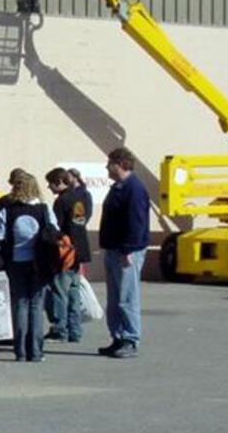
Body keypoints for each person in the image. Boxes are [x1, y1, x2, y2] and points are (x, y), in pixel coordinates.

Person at [0, 173, 58, 362]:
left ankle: (20, 351)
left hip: (15, 261)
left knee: (20, 304)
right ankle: (36, 351)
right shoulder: (44, 208)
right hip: (40, 262)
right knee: (37, 306)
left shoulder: (8, 208)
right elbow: (54, 230)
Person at [98, 147, 150, 359]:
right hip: (113, 249)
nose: (107, 167)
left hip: (126, 251)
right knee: (114, 298)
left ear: (119, 164)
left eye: (109, 163)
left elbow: (136, 223)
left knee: (127, 297)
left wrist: (129, 250)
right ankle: (117, 337)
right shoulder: (118, 187)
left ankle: (130, 338)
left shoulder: (134, 189)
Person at [45, 167, 93, 342]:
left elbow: (56, 229)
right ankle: (75, 329)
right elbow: (80, 223)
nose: (49, 188)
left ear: (58, 182)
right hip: (79, 250)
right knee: (73, 292)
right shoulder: (79, 198)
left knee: (59, 291)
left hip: (65, 252)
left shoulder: (61, 201)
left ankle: (60, 329)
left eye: (50, 184)